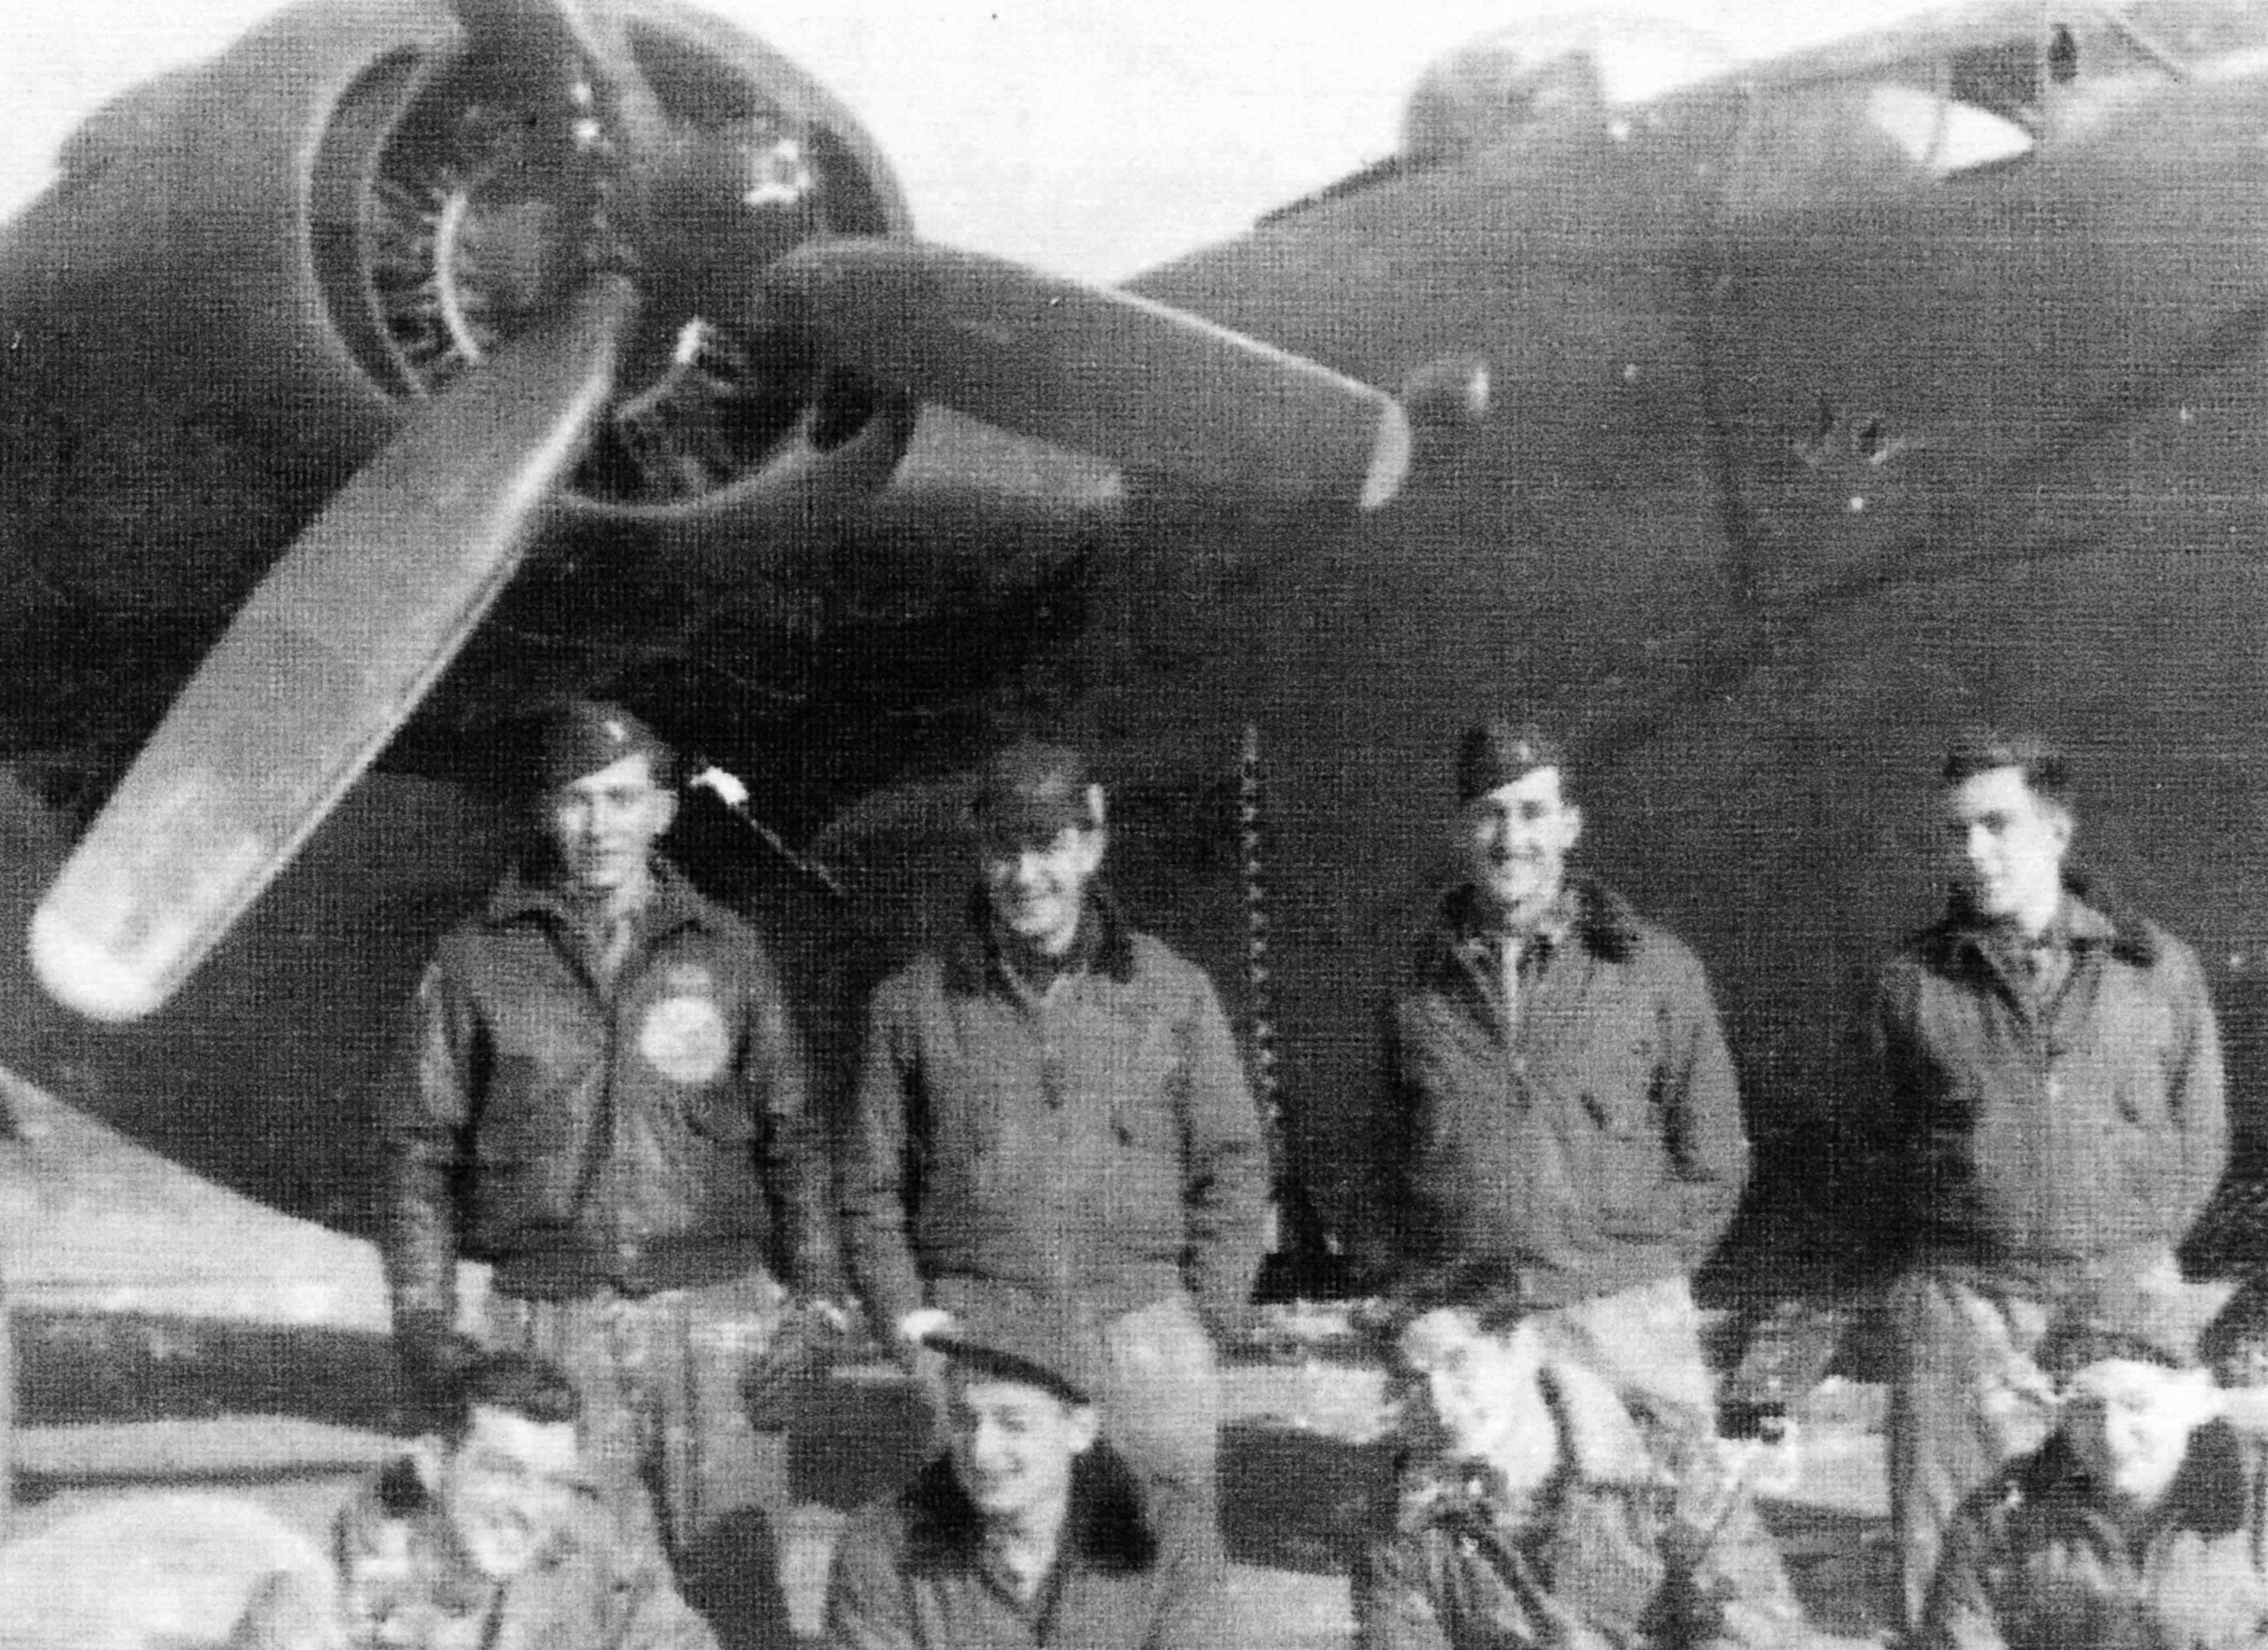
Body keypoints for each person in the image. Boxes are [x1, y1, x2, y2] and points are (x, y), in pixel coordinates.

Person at [380, 700, 843, 1635]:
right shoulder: (477, 962)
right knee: (554, 1599)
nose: (598, 827)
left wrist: (819, 1303)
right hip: (547, 1321)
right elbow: (419, 1151)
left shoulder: (728, 953)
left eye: (623, 800)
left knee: (741, 1596)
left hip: (714, 1319)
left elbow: (794, 1136)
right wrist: (425, 1319)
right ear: (546, 812)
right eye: (576, 800)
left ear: (664, 812)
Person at [840, 738, 1268, 1527]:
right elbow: (870, 1194)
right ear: (980, 857)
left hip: (1143, 1343)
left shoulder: (1171, 993)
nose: (1025, 874)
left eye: (1048, 845)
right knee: (992, 1575)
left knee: (1160, 1567)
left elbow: (1234, 1166)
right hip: (984, 1343)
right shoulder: (913, 1006)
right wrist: (915, 1334)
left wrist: (1200, 1321)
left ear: (1091, 847)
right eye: (1004, 850)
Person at [1861, 729, 2229, 1629]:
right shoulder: (1914, 982)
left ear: (2057, 831)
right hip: (1967, 1303)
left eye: (1998, 824)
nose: (1975, 850)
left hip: (2123, 1293)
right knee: (1950, 1557)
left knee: (2132, 1541)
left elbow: (2201, 1133)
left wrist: (2129, 1256)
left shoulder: (2156, 969)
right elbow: (1873, 1148)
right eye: (1957, 832)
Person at [1365, 718, 1749, 1435]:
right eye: (1491, 813)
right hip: (1472, 1326)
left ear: (1570, 826)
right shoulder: (1412, 988)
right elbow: (1367, 1159)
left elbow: (1715, 1158)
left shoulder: (1653, 972)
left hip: (1625, 1325)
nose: (1512, 839)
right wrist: (1415, 1294)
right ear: (1461, 828)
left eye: (1533, 813)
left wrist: (1645, 1274)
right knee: (1477, 1505)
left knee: (1645, 1504)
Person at [1352, 1304, 1809, 1650]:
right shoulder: (1409, 1526)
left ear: (1523, 1346)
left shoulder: (1665, 1468)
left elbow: (1759, 1628)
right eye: (1415, 1379)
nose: (1440, 1401)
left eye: (1458, 1362)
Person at [822, 1296, 1231, 1650]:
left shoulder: (1169, 1538)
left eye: (1014, 1424)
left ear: (1079, 1430)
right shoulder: (885, 1547)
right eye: (965, 1420)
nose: (982, 1452)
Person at [1919, 1283, 2252, 1650]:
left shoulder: (2257, 1511)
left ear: (2199, 1405)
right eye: (2087, 1409)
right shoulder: (2005, 1513)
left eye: (2138, 1405)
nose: (2112, 1437)